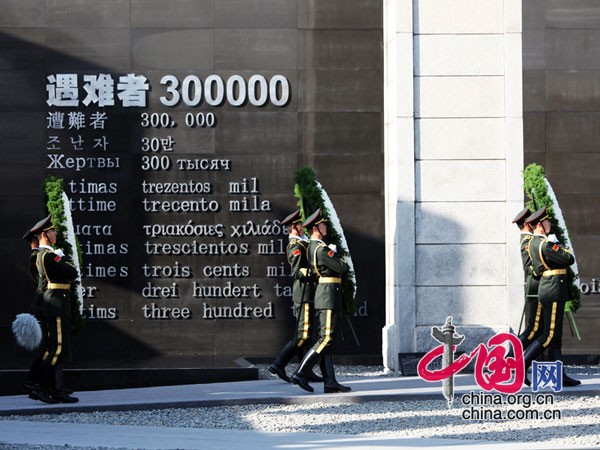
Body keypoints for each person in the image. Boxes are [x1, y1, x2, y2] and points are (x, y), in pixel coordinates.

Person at [291, 209, 351, 394]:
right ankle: (301, 372)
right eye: (323, 225)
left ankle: (330, 381)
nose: (326, 228)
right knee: (326, 339)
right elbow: (342, 267)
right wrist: (336, 255)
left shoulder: (314, 247)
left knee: (326, 340)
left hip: (327, 295)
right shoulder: (321, 249)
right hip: (328, 296)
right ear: (315, 229)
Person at [523, 207, 580, 387]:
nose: (549, 224)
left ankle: (560, 374)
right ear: (540, 225)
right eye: (547, 221)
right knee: (549, 335)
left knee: (556, 337)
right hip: (553, 289)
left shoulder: (533, 243)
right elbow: (569, 258)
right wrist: (559, 244)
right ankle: (522, 364)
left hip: (550, 288)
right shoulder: (545, 244)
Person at [30, 215, 80, 402]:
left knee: (55, 347)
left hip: (56, 303)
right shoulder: (49, 256)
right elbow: (72, 272)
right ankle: (39, 385)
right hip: (56, 304)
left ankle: (50, 388)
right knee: (57, 347)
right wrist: (63, 258)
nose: (55, 233)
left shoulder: (43, 255)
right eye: (52, 231)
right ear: (44, 234)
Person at [268, 209, 322, 383]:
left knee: (308, 334)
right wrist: (317, 273)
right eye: (300, 225)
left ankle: (305, 370)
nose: (303, 227)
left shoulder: (302, 243)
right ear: (294, 227)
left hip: (309, 293)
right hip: (304, 293)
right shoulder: (295, 246)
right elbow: (297, 272)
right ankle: (278, 364)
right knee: (303, 333)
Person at [21, 224, 54, 403]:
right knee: (46, 348)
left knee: (47, 347)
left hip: (43, 305)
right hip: (43, 305)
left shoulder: (39, 256)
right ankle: (35, 383)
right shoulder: (37, 257)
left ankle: (37, 383)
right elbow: (43, 283)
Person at [512, 208, 540, 350]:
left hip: (540, 286)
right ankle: (510, 356)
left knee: (539, 328)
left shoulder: (531, 239)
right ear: (527, 224)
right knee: (533, 328)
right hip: (536, 286)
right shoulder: (527, 241)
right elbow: (528, 267)